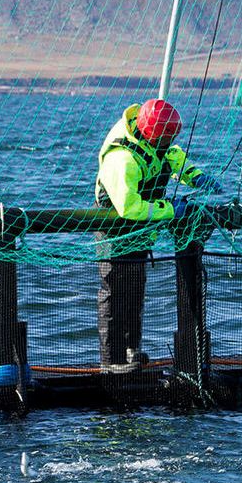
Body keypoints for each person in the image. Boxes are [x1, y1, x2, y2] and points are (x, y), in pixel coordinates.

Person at [93, 98, 219, 372]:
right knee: (114, 291)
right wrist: (171, 209)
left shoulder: (155, 144)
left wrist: (195, 176)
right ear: (153, 135)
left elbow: (171, 157)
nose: (171, 141)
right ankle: (111, 361)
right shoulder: (122, 159)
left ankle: (131, 352)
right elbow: (129, 206)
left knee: (135, 290)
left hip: (141, 229)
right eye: (167, 137)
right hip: (115, 228)